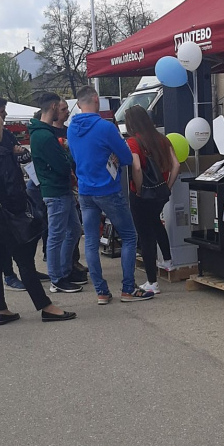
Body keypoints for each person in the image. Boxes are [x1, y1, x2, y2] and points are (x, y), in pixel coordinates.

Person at [0, 110, 75, 326]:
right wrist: (22, 209)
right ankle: (46, 307)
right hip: (6, 214)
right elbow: (14, 190)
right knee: (24, 261)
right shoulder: (2, 155)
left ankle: (1, 309)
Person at [67, 85, 154, 304]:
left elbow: (76, 158)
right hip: (107, 189)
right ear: (96, 99)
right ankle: (128, 288)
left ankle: (102, 291)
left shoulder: (71, 129)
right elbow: (127, 157)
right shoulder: (105, 128)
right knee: (129, 236)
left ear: (79, 103)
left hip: (85, 190)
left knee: (91, 242)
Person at [0, 94, 46, 289]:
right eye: (2, 111)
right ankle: (9, 275)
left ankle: (28, 270)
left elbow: (24, 155)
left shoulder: (7, 134)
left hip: (16, 192)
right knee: (2, 244)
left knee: (32, 228)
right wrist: (12, 154)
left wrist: (18, 154)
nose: (6, 114)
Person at [28, 94, 86, 294]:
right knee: (56, 235)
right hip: (56, 190)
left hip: (60, 190)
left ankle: (63, 271)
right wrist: (68, 155)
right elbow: (62, 164)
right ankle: (57, 278)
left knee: (73, 230)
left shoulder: (42, 133)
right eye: (61, 108)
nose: (65, 112)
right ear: (53, 107)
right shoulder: (44, 136)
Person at [124, 105, 180, 294]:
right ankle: (168, 260)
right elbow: (176, 165)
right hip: (160, 193)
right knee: (156, 222)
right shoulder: (163, 139)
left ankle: (152, 282)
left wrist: (139, 190)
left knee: (145, 234)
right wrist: (168, 186)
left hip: (142, 195)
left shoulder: (133, 142)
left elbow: (137, 168)